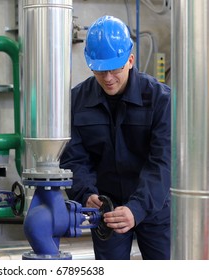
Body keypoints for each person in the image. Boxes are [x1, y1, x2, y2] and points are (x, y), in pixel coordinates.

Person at [60, 15, 171, 260]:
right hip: (107, 209)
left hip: (154, 206)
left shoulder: (160, 100)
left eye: (115, 69)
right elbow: (74, 159)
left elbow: (163, 163)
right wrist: (85, 193)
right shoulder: (77, 101)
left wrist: (137, 208)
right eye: (100, 71)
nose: (108, 78)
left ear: (130, 60)